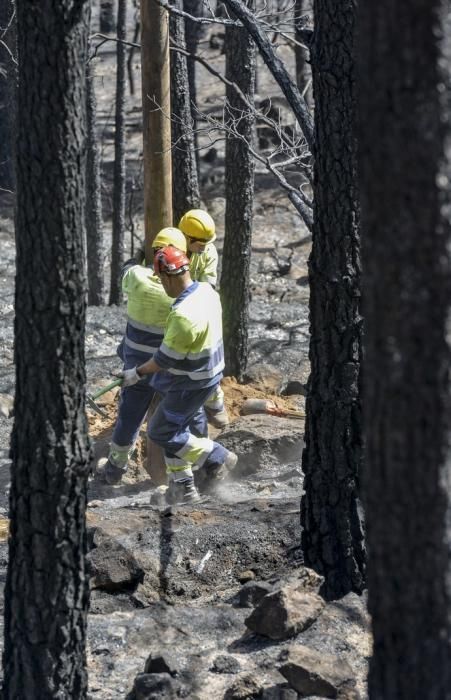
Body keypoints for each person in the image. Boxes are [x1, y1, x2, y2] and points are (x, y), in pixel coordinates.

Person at [119, 246, 238, 504]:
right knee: (177, 429)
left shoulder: (183, 316)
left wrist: (136, 373)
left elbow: (163, 359)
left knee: (161, 431)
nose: (161, 285)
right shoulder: (207, 292)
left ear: (169, 276)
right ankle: (184, 489)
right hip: (209, 377)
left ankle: (216, 455)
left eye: (161, 279)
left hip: (189, 383)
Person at [97, 228, 187, 485]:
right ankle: (179, 476)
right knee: (172, 421)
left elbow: (126, 271)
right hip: (165, 367)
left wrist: (136, 259)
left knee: (129, 417)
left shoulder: (136, 277)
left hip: (135, 368)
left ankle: (115, 468)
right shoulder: (181, 292)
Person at [179, 208, 229, 428]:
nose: (205, 246)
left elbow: (207, 285)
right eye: (200, 242)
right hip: (175, 311)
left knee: (206, 360)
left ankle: (214, 402)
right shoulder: (170, 247)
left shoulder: (208, 252)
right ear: (187, 238)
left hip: (199, 307)